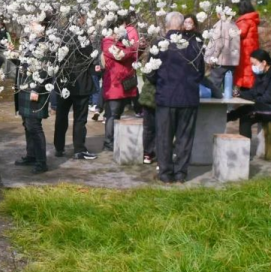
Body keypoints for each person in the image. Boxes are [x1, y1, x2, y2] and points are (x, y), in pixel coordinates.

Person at [148, 12, 205, 184]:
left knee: (164, 136)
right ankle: (181, 173)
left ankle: (165, 173)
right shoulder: (194, 44)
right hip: (188, 97)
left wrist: (159, 82)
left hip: (166, 96)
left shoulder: (158, 45)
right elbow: (200, 72)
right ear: (181, 26)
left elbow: (150, 73)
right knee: (185, 137)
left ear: (166, 26)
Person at [14, 17, 52, 174]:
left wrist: (36, 88)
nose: (30, 25)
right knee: (27, 125)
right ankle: (31, 155)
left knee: (34, 126)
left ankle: (41, 162)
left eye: (34, 23)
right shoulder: (31, 42)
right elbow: (23, 64)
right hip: (24, 87)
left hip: (34, 89)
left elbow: (45, 69)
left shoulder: (45, 44)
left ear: (43, 26)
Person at [54, 32, 98, 160]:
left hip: (64, 83)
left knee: (61, 117)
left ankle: (59, 147)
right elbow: (90, 59)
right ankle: (79, 148)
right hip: (80, 84)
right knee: (79, 119)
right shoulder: (83, 39)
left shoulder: (62, 37)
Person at [101, 26, 138, 151]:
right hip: (114, 85)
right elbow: (120, 56)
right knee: (112, 114)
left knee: (118, 114)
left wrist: (140, 47)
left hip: (125, 83)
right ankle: (108, 143)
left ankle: (114, 140)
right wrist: (133, 48)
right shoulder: (107, 43)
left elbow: (133, 57)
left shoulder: (124, 44)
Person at [227, 49, 271, 140]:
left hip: (268, 107)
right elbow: (253, 92)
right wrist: (239, 94)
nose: (253, 67)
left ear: (264, 62)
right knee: (245, 114)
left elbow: (267, 98)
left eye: (254, 64)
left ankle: (228, 117)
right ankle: (246, 149)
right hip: (262, 105)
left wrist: (254, 101)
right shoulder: (261, 75)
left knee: (246, 113)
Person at [205, 11, 240, 90]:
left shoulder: (221, 25)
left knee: (213, 87)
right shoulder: (234, 25)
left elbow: (217, 45)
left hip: (220, 61)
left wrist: (212, 59)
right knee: (228, 89)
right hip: (232, 62)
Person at [234, 0, 260, 92]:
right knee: (250, 70)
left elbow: (240, 33)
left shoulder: (245, 20)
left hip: (245, 50)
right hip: (252, 48)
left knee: (244, 71)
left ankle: (245, 91)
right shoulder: (252, 19)